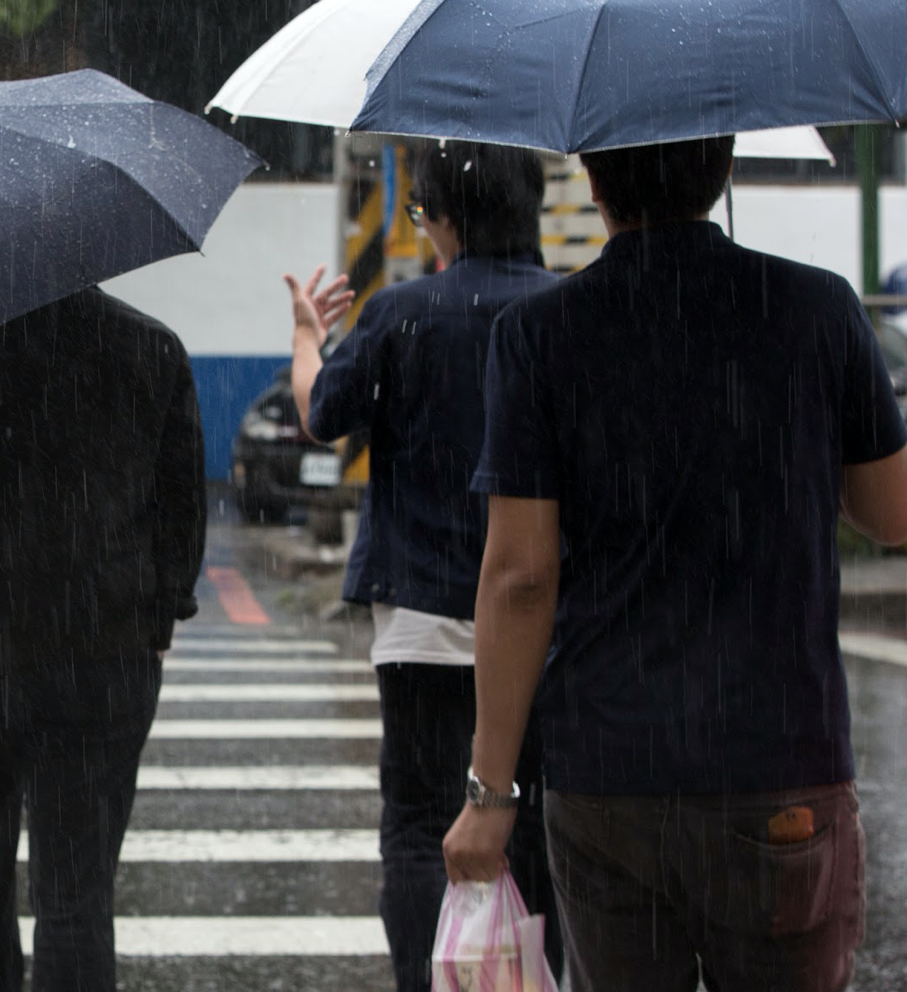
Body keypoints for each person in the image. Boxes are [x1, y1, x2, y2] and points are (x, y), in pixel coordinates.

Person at [443, 135, 907, 992]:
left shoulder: (539, 334)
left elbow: (520, 576)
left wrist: (489, 794)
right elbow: (892, 515)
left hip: (607, 771)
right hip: (778, 761)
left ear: (591, 178)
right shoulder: (818, 309)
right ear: (726, 166)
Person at [0, 287, 206, 992]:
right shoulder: (151, 346)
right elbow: (182, 508)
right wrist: (159, 613)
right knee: (77, 894)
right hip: (103, 651)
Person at [285, 140, 562, 991]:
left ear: (445, 217)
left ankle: (426, 979)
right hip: (546, 624)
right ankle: (532, 974)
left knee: (414, 827)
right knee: (537, 819)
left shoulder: (404, 312)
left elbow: (322, 416)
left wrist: (305, 337)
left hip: (422, 623)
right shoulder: (567, 312)